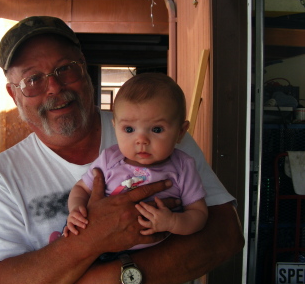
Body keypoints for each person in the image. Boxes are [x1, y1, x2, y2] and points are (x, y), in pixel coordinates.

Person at [0, 16, 244, 284]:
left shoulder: (158, 134)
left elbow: (225, 234)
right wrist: (93, 237)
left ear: (83, 68)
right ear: (13, 93)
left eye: (65, 69)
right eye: (33, 79)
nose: (54, 87)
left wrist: (109, 282)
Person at [64, 73, 208, 248]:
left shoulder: (183, 166)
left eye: (156, 129)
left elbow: (199, 214)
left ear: (180, 131)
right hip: (103, 251)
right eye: (129, 129)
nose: (141, 140)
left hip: (158, 255)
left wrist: (173, 222)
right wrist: (76, 210)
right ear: (115, 126)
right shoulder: (109, 159)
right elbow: (81, 188)